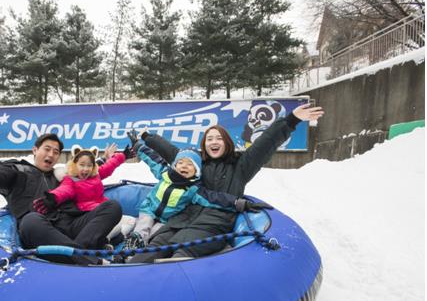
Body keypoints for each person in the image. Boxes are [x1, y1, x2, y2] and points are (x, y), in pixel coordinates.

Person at [128, 103, 324, 263]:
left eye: (219, 138)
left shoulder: (240, 166)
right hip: (181, 218)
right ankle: (125, 273)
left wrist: (291, 120)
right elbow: (172, 152)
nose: (214, 141)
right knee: (153, 248)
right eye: (209, 138)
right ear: (204, 144)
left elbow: (265, 143)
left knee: (182, 252)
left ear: (226, 143)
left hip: (213, 223)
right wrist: (148, 138)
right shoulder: (197, 164)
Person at [0, 133, 122, 265]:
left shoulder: (61, 175)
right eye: (46, 149)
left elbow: (87, 170)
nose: (50, 155)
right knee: (30, 220)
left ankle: (79, 252)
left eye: (56, 152)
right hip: (42, 228)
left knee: (112, 206)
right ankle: (89, 259)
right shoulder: (18, 170)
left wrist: (105, 159)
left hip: (72, 223)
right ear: (35, 150)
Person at [122, 141, 249, 251]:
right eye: (181, 162)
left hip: (167, 221)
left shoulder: (193, 189)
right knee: (143, 227)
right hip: (149, 210)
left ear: (196, 171)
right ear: (175, 165)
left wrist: (236, 202)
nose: (184, 166)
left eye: (189, 164)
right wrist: (138, 146)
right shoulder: (164, 173)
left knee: (155, 234)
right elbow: (152, 159)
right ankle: (131, 245)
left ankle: (138, 253)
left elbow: (213, 198)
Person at [32, 144, 135, 250]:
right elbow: (64, 190)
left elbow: (109, 166)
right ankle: (82, 247)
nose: (86, 169)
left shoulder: (95, 175)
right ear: (75, 164)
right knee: (115, 218)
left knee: (131, 221)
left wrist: (123, 156)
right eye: (82, 165)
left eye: (89, 165)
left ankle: (104, 240)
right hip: (88, 215)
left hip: (102, 212)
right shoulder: (71, 180)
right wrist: (53, 197)